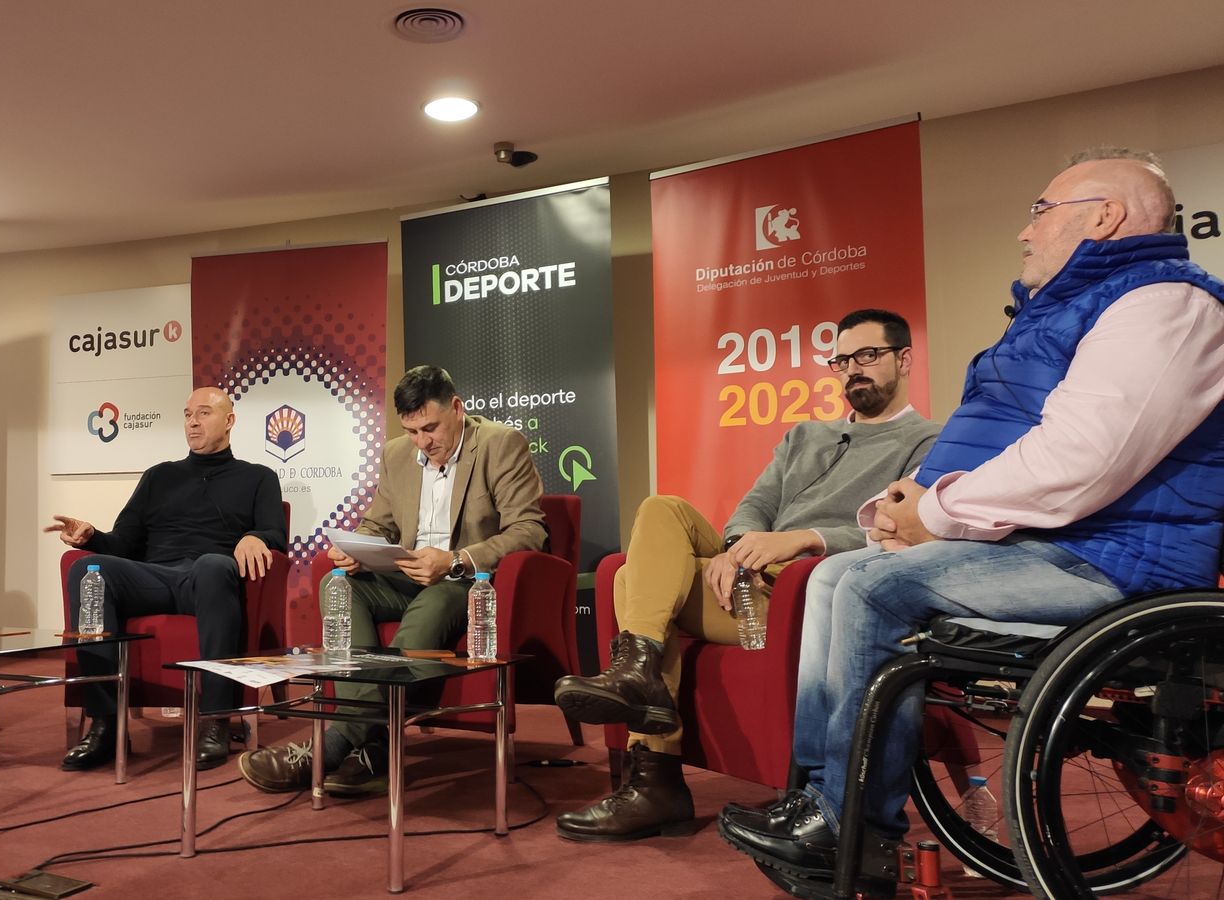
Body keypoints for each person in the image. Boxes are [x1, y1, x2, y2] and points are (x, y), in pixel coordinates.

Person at [719, 148, 1224, 897]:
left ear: (1105, 216)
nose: (1025, 232)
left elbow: (1084, 459)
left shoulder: (1165, 305)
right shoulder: (1068, 312)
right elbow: (1001, 443)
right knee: (835, 573)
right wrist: (903, 514)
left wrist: (939, 513)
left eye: (1041, 210)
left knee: (870, 590)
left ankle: (850, 824)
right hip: (1051, 544)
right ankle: (818, 798)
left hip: (1116, 561)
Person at [551, 309, 940, 843]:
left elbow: (904, 531)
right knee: (662, 507)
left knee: (625, 585)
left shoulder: (929, 441)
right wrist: (735, 549)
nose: (854, 369)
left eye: (868, 356)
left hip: (810, 588)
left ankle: (655, 775)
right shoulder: (805, 434)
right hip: (748, 574)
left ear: (904, 359)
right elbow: (755, 504)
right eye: (842, 360)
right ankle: (641, 674)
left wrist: (804, 539)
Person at [238, 365, 547, 796]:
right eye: (412, 430)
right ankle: (375, 747)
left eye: (431, 428)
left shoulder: (500, 444)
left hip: (464, 582)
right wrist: (355, 548)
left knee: (434, 603)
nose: (423, 442)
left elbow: (529, 529)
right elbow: (375, 524)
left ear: (457, 408)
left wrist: (455, 559)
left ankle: (329, 746)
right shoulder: (397, 454)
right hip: (405, 576)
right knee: (338, 585)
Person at [46, 386, 286, 772]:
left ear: (230, 421)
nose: (193, 421)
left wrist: (255, 536)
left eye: (204, 413)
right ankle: (106, 724)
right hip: (155, 577)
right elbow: (123, 543)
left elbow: (276, 534)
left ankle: (215, 721)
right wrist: (93, 538)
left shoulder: (258, 477)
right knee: (87, 570)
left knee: (212, 564)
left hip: (209, 581)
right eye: (188, 414)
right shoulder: (159, 476)